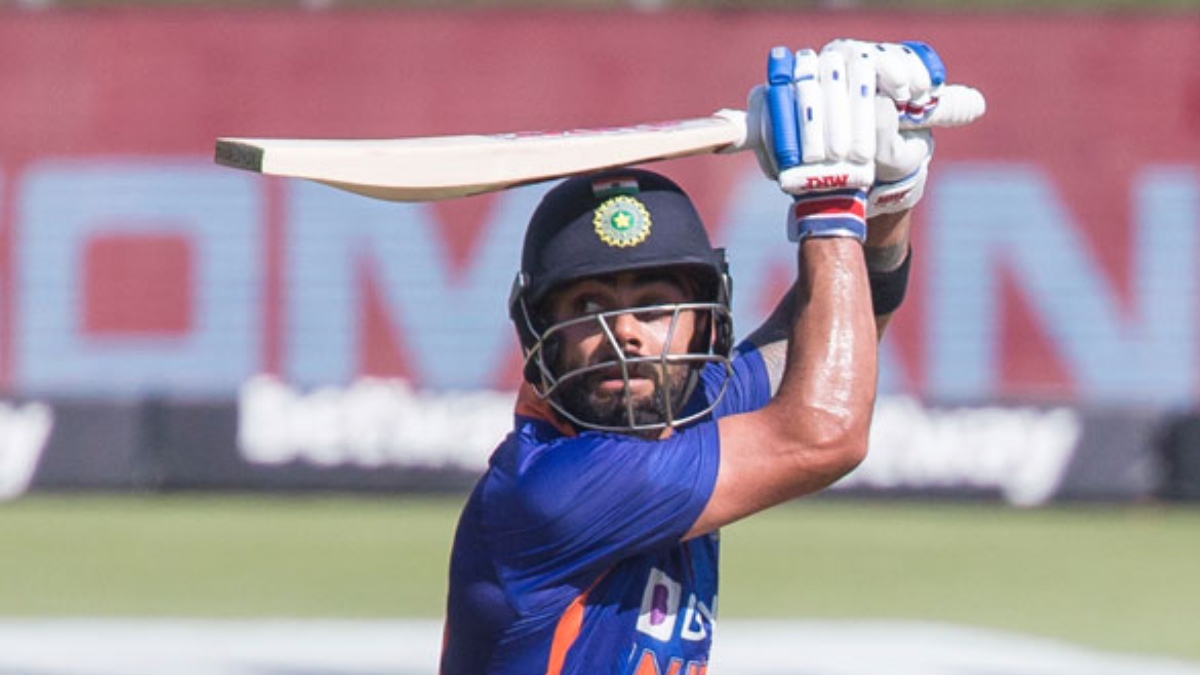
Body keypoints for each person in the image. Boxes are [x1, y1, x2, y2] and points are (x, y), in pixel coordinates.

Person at [441, 39, 954, 675]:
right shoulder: (553, 487)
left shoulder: (687, 410)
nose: (625, 335)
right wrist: (829, 202)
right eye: (589, 307)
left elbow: (845, 326)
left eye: (654, 307)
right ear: (540, 330)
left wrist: (888, 197)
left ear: (702, 327)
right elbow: (826, 433)